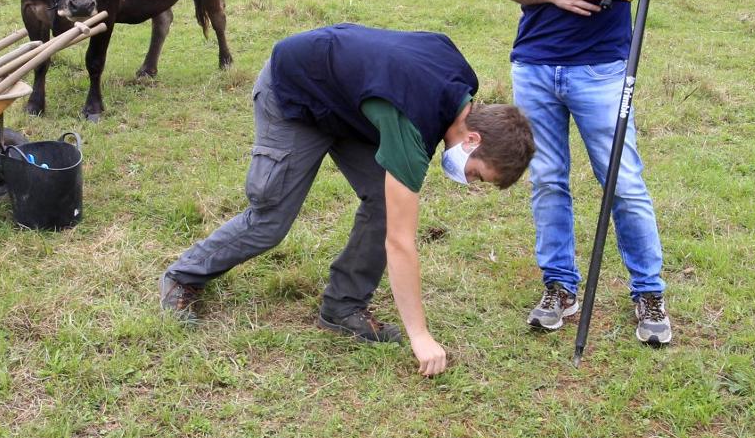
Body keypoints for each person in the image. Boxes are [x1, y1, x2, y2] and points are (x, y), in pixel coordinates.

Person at [159, 23, 535, 376]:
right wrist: (419, 336)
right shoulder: (412, 123)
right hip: (294, 92)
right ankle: (183, 276)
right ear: (473, 140)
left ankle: (343, 306)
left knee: (386, 206)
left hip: (348, 105)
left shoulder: (463, 86)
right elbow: (401, 244)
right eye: (476, 174)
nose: (467, 181)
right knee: (270, 219)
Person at [492, 0, 691, 346]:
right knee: (548, 181)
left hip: (603, 67)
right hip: (534, 65)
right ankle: (560, 287)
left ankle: (648, 292)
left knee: (622, 184)